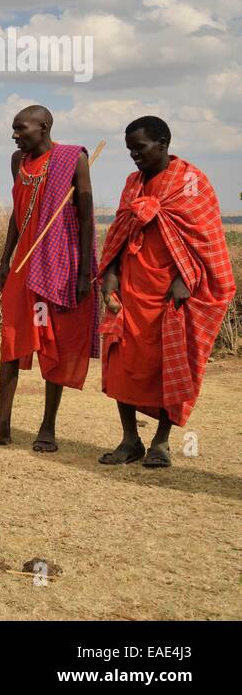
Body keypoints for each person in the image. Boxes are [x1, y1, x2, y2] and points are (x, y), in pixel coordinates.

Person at [97, 116, 236, 468]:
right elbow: (121, 230)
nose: (133, 155)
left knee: (170, 364)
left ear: (162, 144)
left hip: (171, 293)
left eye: (139, 148)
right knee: (121, 363)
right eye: (129, 149)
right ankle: (130, 440)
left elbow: (205, 239)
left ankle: (161, 442)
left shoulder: (191, 182)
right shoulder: (133, 183)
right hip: (130, 286)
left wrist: (185, 280)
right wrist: (110, 273)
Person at [0, 106, 96, 451]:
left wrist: (85, 272)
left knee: (52, 344)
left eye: (20, 128)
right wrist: (5, 259)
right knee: (11, 341)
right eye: (14, 129)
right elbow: (19, 210)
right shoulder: (19, 161)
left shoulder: (73, 159)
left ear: (43, 126)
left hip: (57, 266)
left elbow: (88, 218)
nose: (15, 135)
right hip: (23, 268)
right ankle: (2, 424)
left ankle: (47, 427)